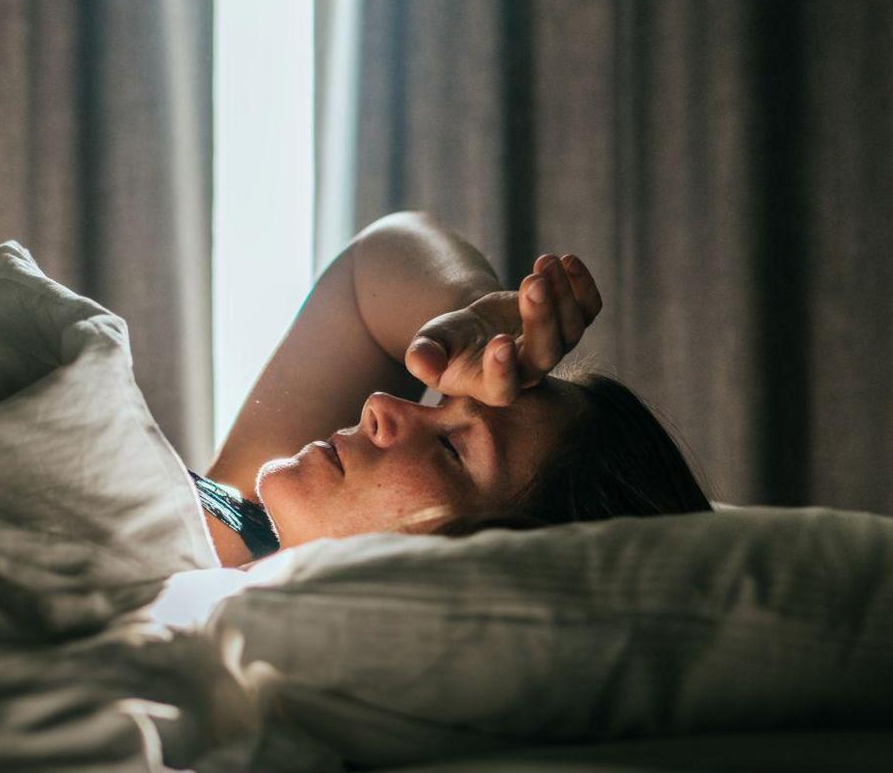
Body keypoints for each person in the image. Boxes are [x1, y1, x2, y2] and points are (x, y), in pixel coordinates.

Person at [193, 212, 711, 568]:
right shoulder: (246, 521)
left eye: (451, 449)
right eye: (439, 402)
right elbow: (378, 255)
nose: (379, 405)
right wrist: (470, 320)